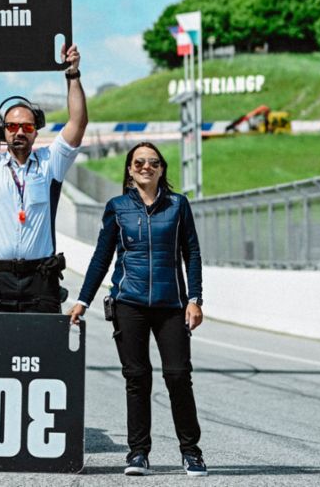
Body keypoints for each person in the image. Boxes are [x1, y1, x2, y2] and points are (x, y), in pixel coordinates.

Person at [69, 142, 207, 478]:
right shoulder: (117, 207)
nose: (147, 167)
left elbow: (192, 253)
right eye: (140, 162)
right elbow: (102, 257)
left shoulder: (178, 205)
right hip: (128, 304)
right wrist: (83, 300)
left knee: (178, 376)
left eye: (153, 162)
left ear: (162, 169)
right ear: (130, 169)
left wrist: (195, 298)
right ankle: (138, 453)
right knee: (137, 378)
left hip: (172, 305)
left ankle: (191, 452)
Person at [0, 42, 87, 313]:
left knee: (45, 342)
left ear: (36, 131)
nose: (19, 131)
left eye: (27, 126)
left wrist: (73, 74)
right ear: (2, 131)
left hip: (41, 280)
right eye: (12, 126)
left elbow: (77, 123)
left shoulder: (50, 163)